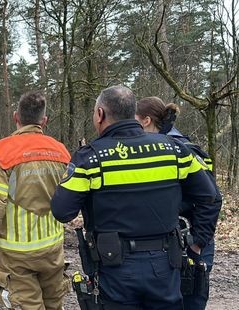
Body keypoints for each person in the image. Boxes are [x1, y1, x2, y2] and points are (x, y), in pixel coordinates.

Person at [50, 85, 218, 309]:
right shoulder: (175, 150)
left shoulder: (90, 158)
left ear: (100, 114)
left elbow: (62, 211)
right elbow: (208, 194)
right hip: (166, 264)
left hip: (115, 267)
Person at [0, 91, 71, 309]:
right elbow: (70, 200)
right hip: (53, 250)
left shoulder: (3, 154)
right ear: (44, 121)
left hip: (17, 256)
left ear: (16, 117)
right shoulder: (61, 152)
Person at [136, 96, 222, 310]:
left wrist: (197, 242)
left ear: (146, 121)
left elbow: (212, 199)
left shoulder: (181, 149)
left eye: (134, 120)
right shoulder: (155, 149)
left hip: (192, 241)